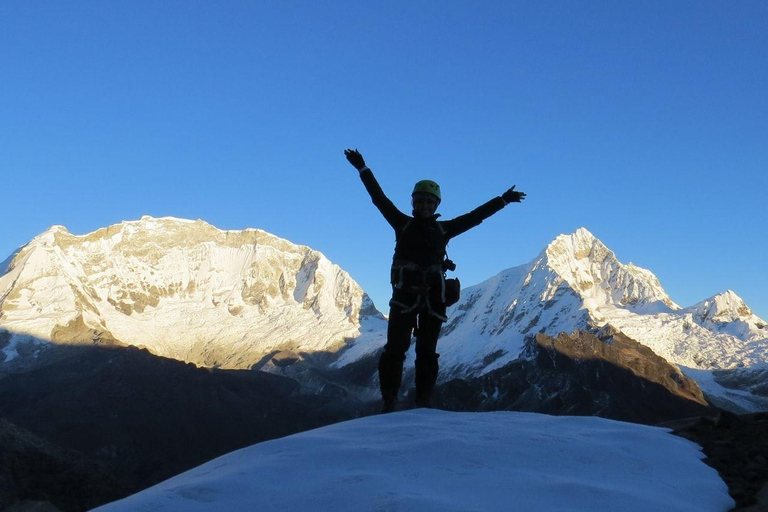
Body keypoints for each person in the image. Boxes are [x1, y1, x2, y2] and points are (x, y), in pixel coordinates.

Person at [344, 148, 526, 412]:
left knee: (426, 353)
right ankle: (390, 401)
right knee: (396, 350)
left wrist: (503, 200)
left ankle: (422, 401)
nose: (425, 206)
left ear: (436, 205)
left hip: (430, 299)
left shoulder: (444, 229)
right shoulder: (401, 223)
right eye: (421, 202)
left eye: (430, 202)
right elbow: (379, 198)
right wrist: (363, 168)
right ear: (413, 204)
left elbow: (475, 217)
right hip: (407, 297)